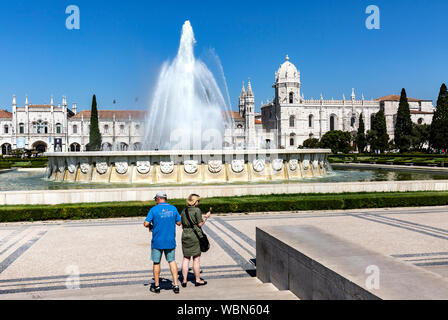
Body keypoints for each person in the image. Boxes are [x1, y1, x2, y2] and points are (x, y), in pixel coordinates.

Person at [144, 191, 182, 294]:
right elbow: (179, 223)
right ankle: (176, 285)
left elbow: (146, 223)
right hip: (170, 240)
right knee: (172, 261)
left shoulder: (154, 209)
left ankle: (156, 286)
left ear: (159, 198)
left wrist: (151, 225)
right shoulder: (173, 208)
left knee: (156, 262)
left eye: (156, 199)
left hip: (157, 241)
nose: (155, 201)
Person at [180, 194, 212, 287]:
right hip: (195, 236)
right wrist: (206, 217)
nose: (198, 202)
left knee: (186, 258)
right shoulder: (197, 210)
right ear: (195, 202)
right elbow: (200, 224)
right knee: (196, 259)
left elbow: (182, 226)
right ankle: (198, 280)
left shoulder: (184, 211)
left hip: (185, 235)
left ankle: (184, 281)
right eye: (198, 201)